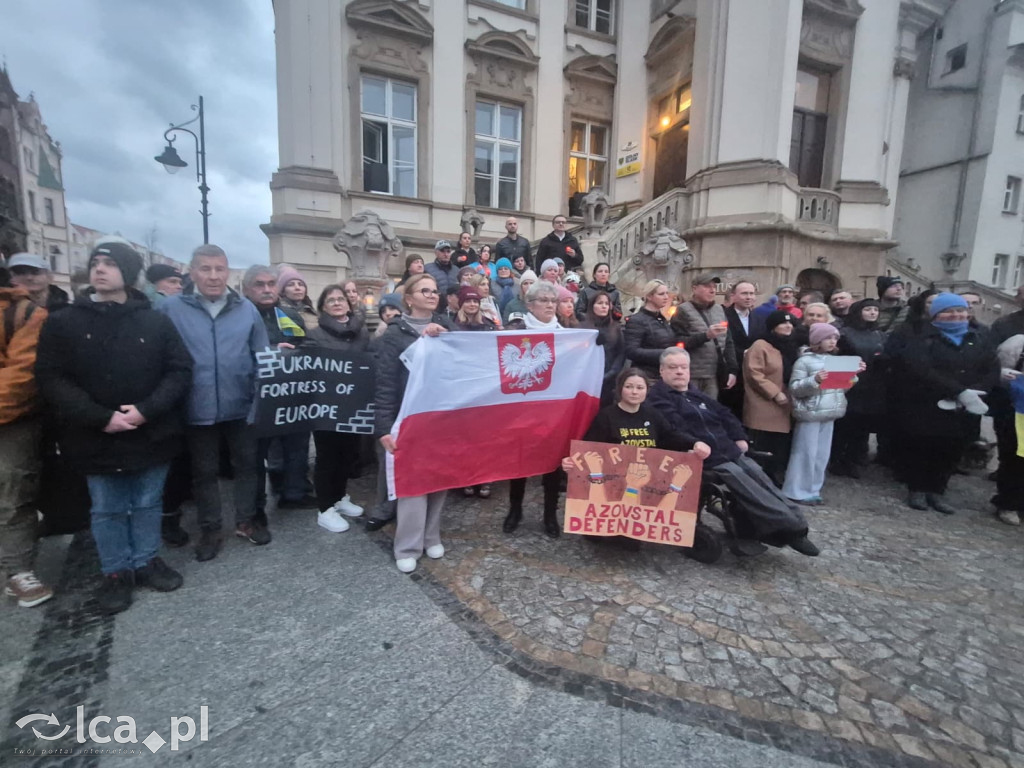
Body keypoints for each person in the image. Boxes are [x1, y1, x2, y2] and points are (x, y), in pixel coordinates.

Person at [36, 239, 192, 614]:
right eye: (96, 263)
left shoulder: (154, 320)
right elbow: (52, 377)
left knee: (147, 502)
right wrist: (100, 416)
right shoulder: (64, 322)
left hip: (149, 430)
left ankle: (145, 560)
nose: (100, 269)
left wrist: (145, 410)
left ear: (128, 272)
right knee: (106, 507)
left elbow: (179, 370)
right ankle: (115, 572)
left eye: (109, 263)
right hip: (95, 434)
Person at [647, 348, 819, 556]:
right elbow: (672, 429)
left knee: (758, 475)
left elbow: (725, 414)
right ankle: (788, 528)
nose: (679, 372)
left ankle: (793, 524)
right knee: (740, 479)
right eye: (673, 368)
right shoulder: (659, 399)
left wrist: (739, 436)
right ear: (662, 370)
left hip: (727, 448)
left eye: (683, 367)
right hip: (701, 456)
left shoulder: (695, 394)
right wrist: (694, 444)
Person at [159, 244, 271, 561]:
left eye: (219, 269)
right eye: (206, 269)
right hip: (196, 407)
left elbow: (261, 356)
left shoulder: (245, 309)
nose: (213, 276)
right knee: (204, 472)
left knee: (247, 466)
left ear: (227, 272)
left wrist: (259, 399)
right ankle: (210, 528)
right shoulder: (171, 309)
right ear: (192, 272)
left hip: (241, 404)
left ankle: (246, 521)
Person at [561, 367, 708, 552]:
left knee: (630, 544)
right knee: (596, 536)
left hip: (645, 485)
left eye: (640, 387)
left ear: (646, 391)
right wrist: (572, 463)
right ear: (620, 389)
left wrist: (695, 443)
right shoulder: (607, 416)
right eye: (629, 387)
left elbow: (671, 436)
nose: (634, 392)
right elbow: (589, 447)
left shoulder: (652, 415)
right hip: (611, 486)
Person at [891, 293, 998, 514]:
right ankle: (918, 489)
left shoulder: (978, 336)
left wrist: (977, 391)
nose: (956, 315)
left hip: (966, 405)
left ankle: (937, 490)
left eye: (960, 310)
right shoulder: (922, 336)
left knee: (951, 449)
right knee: (924, 447)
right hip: (929, 402)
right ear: (936, 314)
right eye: (949, 311)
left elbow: (991, 367)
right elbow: (920, 368)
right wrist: (958, 390)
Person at [375, 273, 451, 573]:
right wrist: (383, 427)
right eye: (425, 291)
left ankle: (431, 535)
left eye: (435, 291)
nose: (433, 295)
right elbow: (384, 384)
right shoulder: (393, 335)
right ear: (408, 298)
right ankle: (407, 544)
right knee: (413, 483)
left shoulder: (448, 328)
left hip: (442, 416)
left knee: (440, 479)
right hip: (408, 418)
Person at [242, 266, 313, 515]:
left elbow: (305, 345)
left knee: (297, 446)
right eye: (259, 285)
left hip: (292, 394)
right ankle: (256, 508)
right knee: (255, 456)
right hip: (255, 399)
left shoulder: (290, 315)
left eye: (271, 284)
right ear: (247, 289)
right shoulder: (240, 316)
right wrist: (272, 351)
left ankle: (294, 494)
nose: (267, 289)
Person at [0, 280, 52, 607]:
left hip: (13, 420)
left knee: (13, 493)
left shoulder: (25, 313)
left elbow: (22, 376)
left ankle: (18, 569)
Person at [504, 281, 569, 536]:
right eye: (544, 300)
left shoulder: (566, 333)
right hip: (521, 408)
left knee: (552, 464)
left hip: (552, 411)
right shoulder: (515, 330)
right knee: (519, 462)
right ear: (529, 304)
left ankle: (550, 515)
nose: (550, 305)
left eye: (553, 301)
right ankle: (515, 509)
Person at [305, 285, 369, 532]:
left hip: (353, 405)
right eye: (330, 300)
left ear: (349, 303)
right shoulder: (315, 334)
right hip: (326, 407)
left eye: (340, 299)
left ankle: (340, 497)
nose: (336, 303)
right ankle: (325, 508)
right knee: (327, 457)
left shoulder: (361, 332)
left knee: (348, 454)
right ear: (323, 307)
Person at [782, 324, 865, 504]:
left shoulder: (835, 360)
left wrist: (853, 375)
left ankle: (813, 488)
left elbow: (841, 388)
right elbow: (795, 388)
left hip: (829, 412)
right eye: (828, 338)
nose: (832, 342)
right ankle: (796, 490)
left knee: (821, 455)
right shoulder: (803, 361)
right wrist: (815, 380)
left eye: (835, 338)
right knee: (805, 453)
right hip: (810, 412)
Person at [742, 310, 799, 487]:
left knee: (780, 445)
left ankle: (776, 476)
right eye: (783, 323)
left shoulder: (790, 345)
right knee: (764, 444)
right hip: (764, 403)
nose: (788, 326)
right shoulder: (760, 345)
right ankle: (761, 480)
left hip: (785, 403)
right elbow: (754, 373)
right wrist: (774, 392)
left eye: (790, 323)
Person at [832, 299, 886, 477]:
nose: (872, 313)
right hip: (849, 383)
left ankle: (854, 458)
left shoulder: (879, 334)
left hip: (871, 385)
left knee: (861, 425)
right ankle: (838, 459)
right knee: (844, 423)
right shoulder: (845, 333)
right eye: (868, 309)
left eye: (875, 310)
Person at [670, 272, 737, 399]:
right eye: (707, 286)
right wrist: (705, 336)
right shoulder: (683, 310)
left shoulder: (719, 310)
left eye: (714, 287)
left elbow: (728, 342)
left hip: (714, 375)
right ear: (694, 288)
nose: (712, 290)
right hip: (691, 374)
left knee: (710, 413)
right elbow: (677, 343)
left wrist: (732, 369)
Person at [990, 285, 1024, 526]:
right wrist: (1000, 373)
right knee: (1012, 452)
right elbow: (988, 357)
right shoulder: (1006, 325)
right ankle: (1008, 501)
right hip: (1012, 399)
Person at [722, 280, 765, 419]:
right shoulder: (724, 315)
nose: (749, 297)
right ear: (733, 296)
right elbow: (724, 343)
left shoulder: (759, 317)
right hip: (731, 370)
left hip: (752, 371)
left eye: (751, 293)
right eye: (744, 293)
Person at [623, 279, 677, 380]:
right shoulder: (637, 320)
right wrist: (664, 353)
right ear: (649, 296)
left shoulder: (661, 319)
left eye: (667, 293)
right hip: (646, 376)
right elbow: (631, 351)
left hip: (663, 374)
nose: (666, 297)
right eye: (661, 294)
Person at [580, 292, 625, 406]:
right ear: (592, 306)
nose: (604, 306)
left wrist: (612, 372)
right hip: (587, 380)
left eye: (606, 303)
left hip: (609, 380)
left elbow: (620, 352)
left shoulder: (615, 327)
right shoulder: (583, 327)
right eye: (600, 303)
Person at [276, 265, 319, 330]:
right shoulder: (276, 312)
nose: (297, 288)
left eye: (300, 284)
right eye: (291, 284)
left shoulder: (313, 313)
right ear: (283, 291)